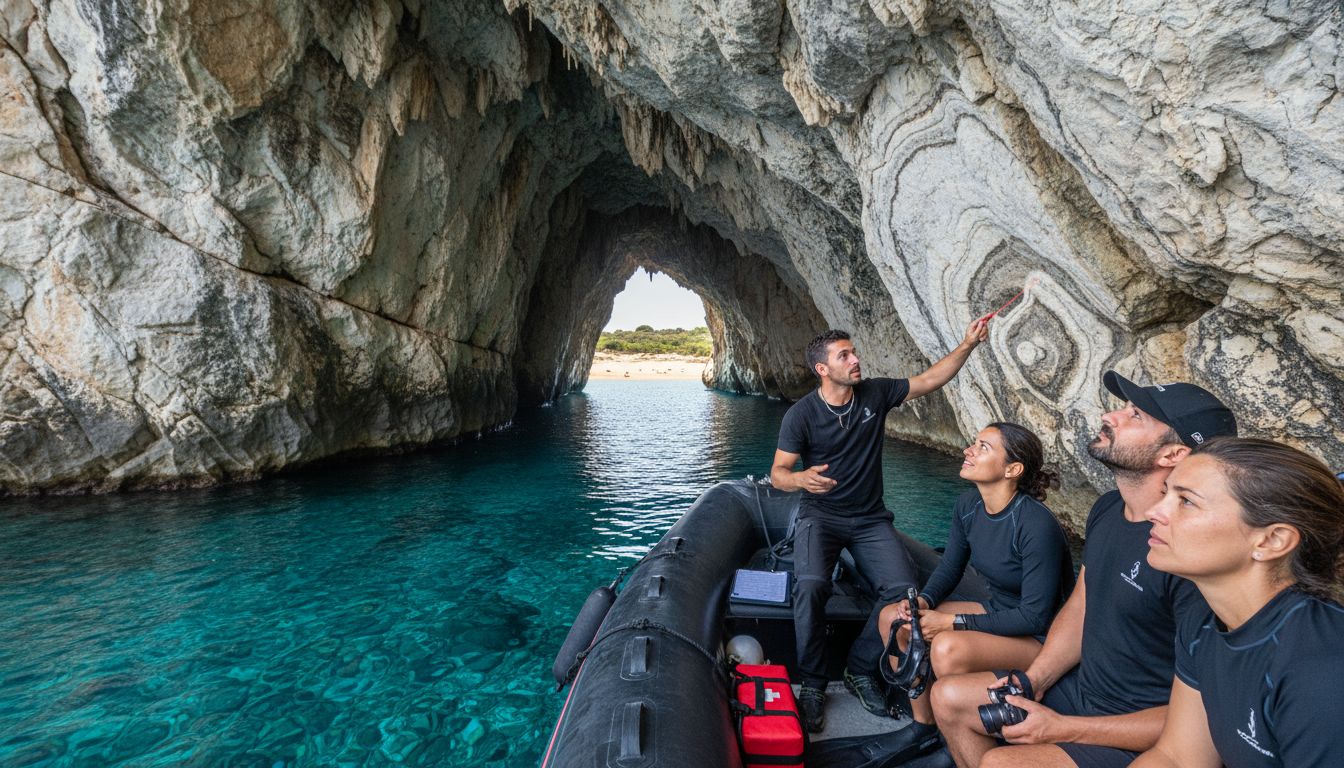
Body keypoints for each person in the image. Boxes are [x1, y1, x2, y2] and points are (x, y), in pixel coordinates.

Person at [931, 370, 1237, 768]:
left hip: (1136, 724)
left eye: (1136, 416)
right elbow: (1080, 606)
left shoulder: (1190, 558)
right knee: (947, 699)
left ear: (1173, 455)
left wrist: (1062, 727)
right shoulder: (1108, 509)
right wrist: (1034, 680)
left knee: (999, 764)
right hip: (1079, 689)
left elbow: (1197, 727)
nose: (1112, 416)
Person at [771, 320, 989, 732]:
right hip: (821, 515)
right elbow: (780, 473)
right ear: (822, 368)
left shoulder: (875, 392)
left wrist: (968, 344)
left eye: (854, 353)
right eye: (844, 356)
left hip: (870, 518)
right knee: (812, 585)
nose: (856, 360)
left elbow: (929, 379)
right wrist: (801, 479)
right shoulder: (801, 415)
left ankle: (858, 667)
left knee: (903, 591)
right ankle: (814, 684)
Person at [1132, 437, 1344, 768]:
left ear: (1272, 540)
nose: (1153, 512)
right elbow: (1178, 757)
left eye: (1186, 501)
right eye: (1166, 493)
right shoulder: (1203, 618)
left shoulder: (1322, 671)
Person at [878, 422, 1074, 737]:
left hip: (1043, 638)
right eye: (974, 443)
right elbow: (950, 567)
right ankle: (923, 727)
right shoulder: (968, 506)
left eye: (983, 447)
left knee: (946, 647)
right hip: (999, 609)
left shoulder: (1036, 525)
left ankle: (955, 731)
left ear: (1013, 469)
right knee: (894, 619)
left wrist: (951, 622)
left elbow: (1035, 617)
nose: (968, 450)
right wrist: (923, 601)